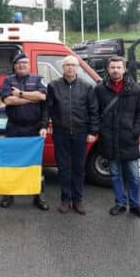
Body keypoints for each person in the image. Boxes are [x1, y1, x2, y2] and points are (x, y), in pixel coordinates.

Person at [94, 56, 140, 219]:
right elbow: (95, 112)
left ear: (124, 69)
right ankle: (120, 203)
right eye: (112, 67)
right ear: (108, 69)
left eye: (119, 67)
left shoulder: (135, 89)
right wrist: (100, 131)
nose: (115, 70)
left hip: (129, 139)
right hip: (109, 139)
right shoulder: (99, 89)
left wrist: (136, 131)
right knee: (115, 175)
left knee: (133, 175)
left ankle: (134, 205)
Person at [45, 56, 98, 214]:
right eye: (67, 65)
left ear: (78, 68)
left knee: (79, 168)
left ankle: (78, 200)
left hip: (81, 133)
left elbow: (93, 111)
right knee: (63, 168)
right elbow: (47, 109)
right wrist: (43, 126)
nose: (70, 68)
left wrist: (93, 132)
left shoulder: (87, 87)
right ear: (63, 68)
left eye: (73, 65)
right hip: (60, 133)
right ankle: (65, 200)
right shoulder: (53, 86)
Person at [0, 52, 49, 210]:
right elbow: (8, 100)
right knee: (11, 163)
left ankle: (38, 196)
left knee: (35, 165)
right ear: (14, 66)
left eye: (24, 63)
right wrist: (31, 98)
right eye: (18, 63)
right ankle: (8, 195)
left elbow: (42, 97)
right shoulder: (8, 80)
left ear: (29, 65)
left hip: (34, 128)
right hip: (14, 128)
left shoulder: (39, 79)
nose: (21, 65)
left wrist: (20, 94)